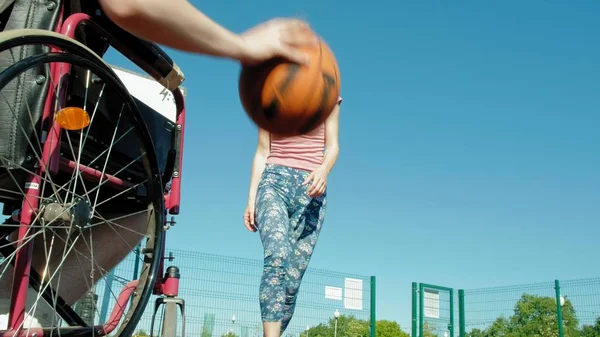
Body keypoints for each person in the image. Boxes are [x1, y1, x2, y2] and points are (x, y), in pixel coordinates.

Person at [0, 0, 321, 329]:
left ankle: (16, 297)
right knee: (144, 198)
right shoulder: (285, 116)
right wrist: (240, 45)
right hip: (20, 97)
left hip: (19, 84)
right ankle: (16, 306)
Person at [244, 98, 342, 336]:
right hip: (274, 183)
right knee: (277, 257)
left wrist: (324, 170)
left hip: (312, 191)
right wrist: (251, 199)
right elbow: (261, 152)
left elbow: (333, 146)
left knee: (291, 282)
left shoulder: (329, 95)